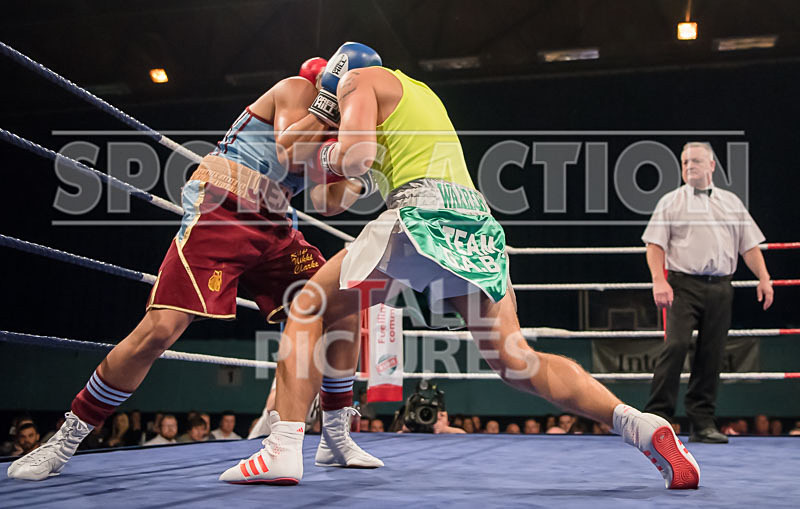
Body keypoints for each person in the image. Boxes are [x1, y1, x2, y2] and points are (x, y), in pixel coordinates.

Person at [219, 41, 700, 490]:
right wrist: (338, 153)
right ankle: (638, 423)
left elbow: (358, 157)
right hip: (477, 222)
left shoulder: (356, 83)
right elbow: (336, 195)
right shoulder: (419, 92)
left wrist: (326, 140)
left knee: (306, 304)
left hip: (421, 214)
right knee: (518, 362)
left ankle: (281, 447)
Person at [7, 57, 380, 481]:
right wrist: (327, 107)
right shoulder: (297, 89)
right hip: (223, 206)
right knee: (161, 329)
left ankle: (335, 437)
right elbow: (287, 149)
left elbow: (329, 204)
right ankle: (66, 437)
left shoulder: (337, 131)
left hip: (275, 224)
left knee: (345, 300)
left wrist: (356, 171)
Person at [642, 142, 774, 445]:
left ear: (712, 166)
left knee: (711, 354)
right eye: (685, 161)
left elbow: (749, 246)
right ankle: (657, 417)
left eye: (696, 161)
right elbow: (654, 245)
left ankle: (702, 422)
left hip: (721, 286)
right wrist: (658, 281)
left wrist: (764, 278)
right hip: (681, 285)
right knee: (675, 345)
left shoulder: (731, 203)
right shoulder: (671, 201)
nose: (689, 166)